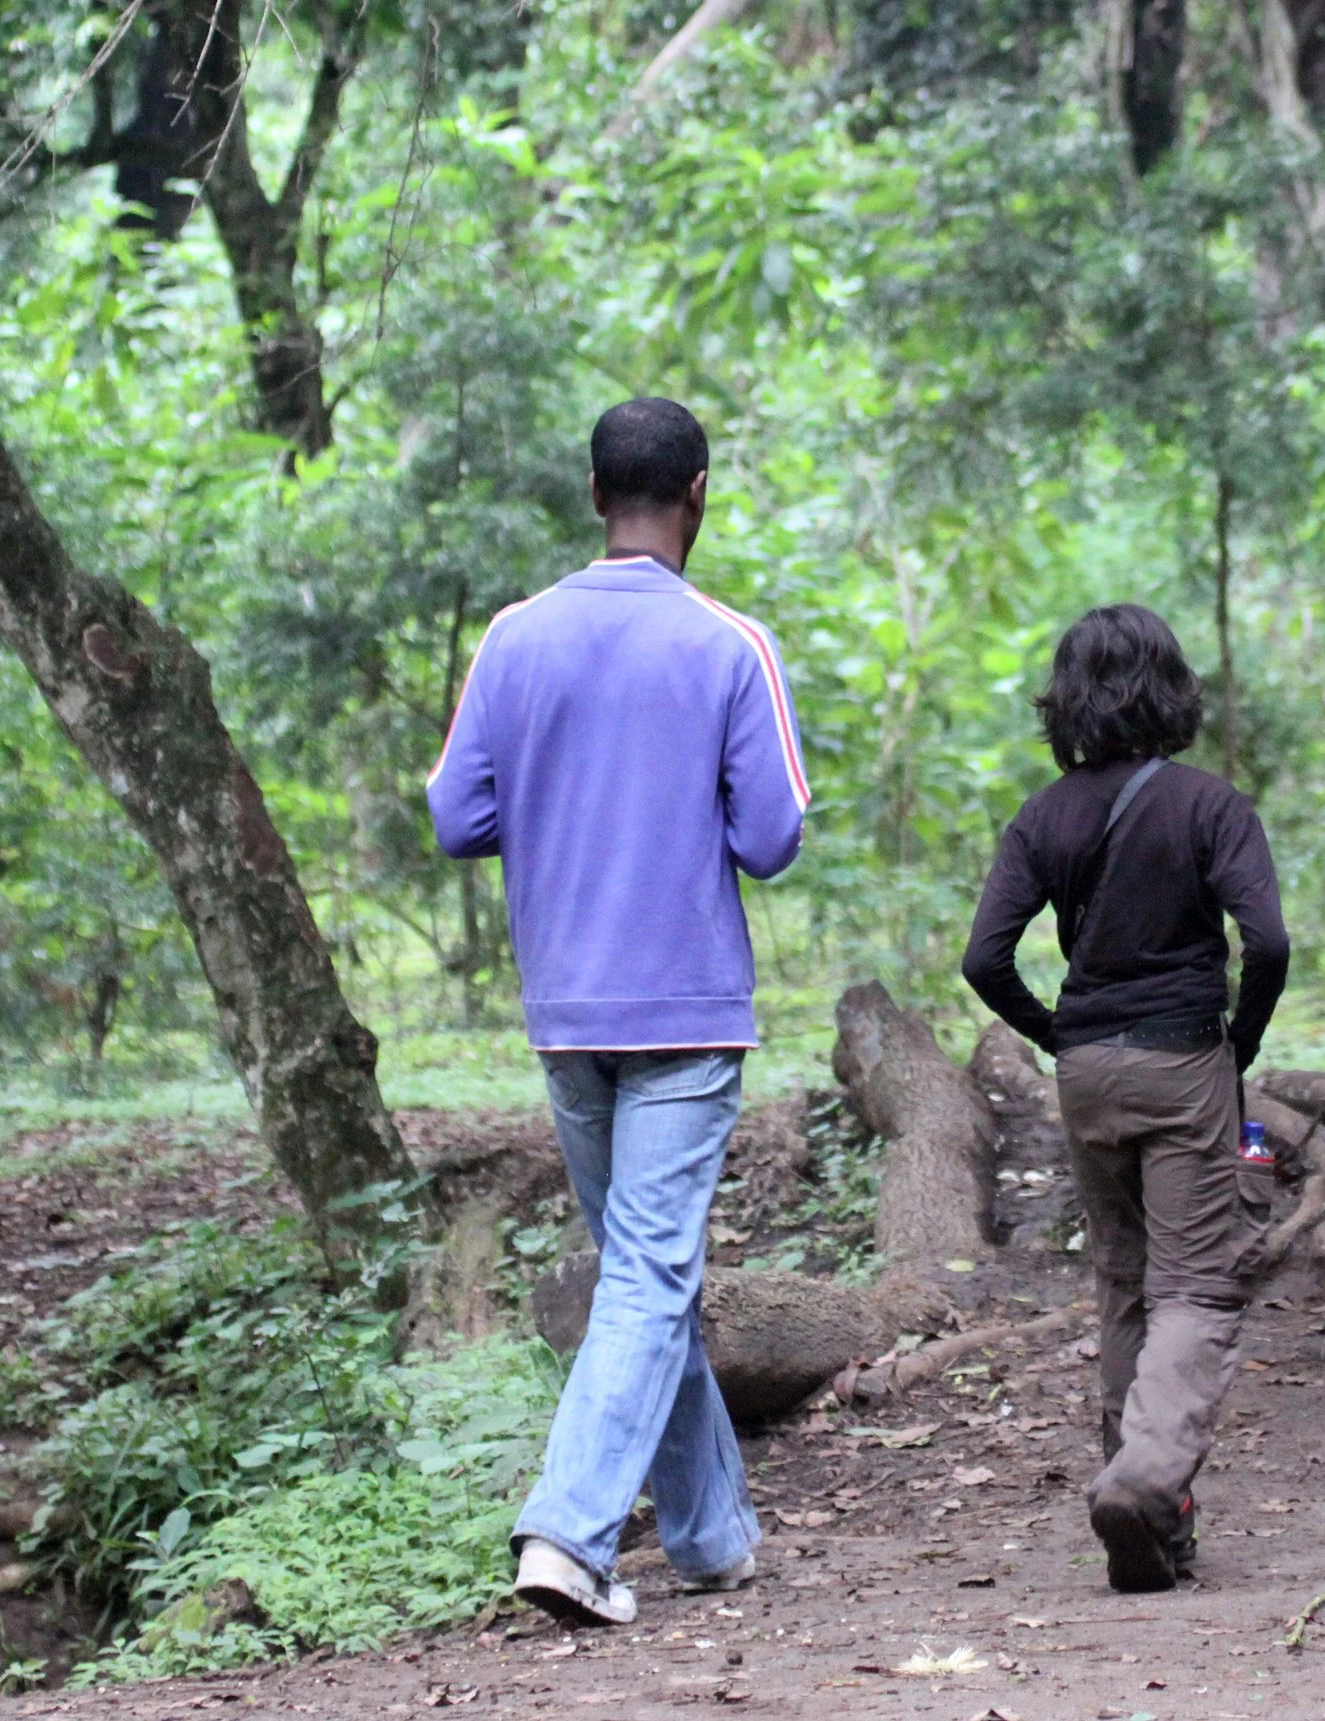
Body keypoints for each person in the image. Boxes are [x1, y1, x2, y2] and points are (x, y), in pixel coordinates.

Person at [427, 396, 810, 1625]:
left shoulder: (513, 637)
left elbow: (454, 817)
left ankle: (707, 1534)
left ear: (596, 494)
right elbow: (772, 836)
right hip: (687, 1010)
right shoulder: (726, 642)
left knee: (648, 1271)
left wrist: (556, 802)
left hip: (567, 1010)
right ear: (699, 490)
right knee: (649, 1274)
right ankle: (569, 1532)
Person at [962, 604, 1290, 1594]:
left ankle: (1155, 1517)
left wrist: (1052, 1031)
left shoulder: (1041, 815)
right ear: (1170, 691)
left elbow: (983, 957)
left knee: (1123, 1283)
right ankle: (1144, 1479)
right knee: (1196, 1287)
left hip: (1087, 1071)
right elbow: (1265, 941)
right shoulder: (1209, 804)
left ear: (1066, 703)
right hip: (1182, 1057)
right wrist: (1241, 1039)